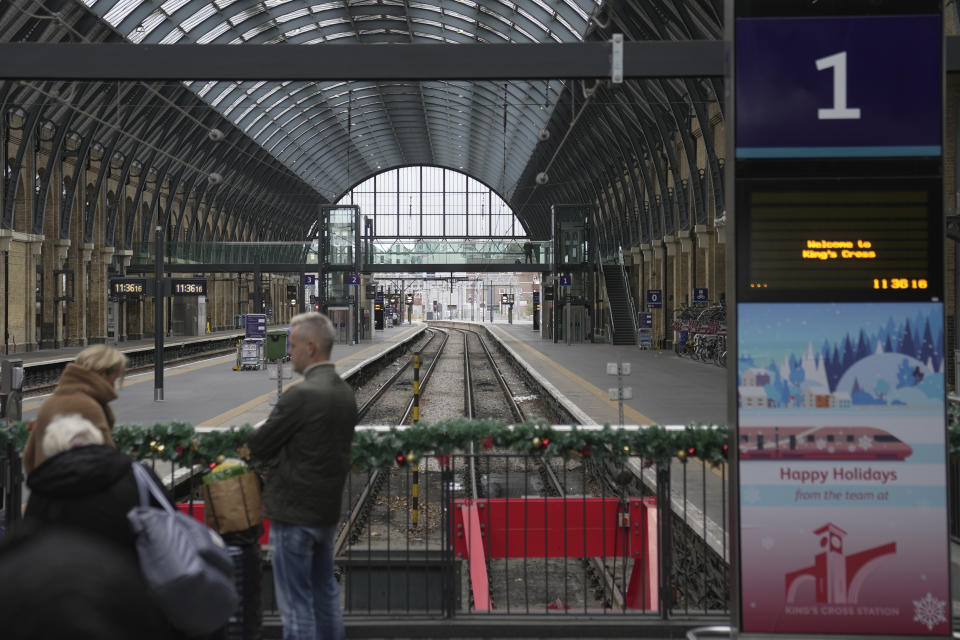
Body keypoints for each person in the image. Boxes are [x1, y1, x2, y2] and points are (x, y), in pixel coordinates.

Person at [248, 312, 357, 640]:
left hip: (294, 513)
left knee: (296, 606)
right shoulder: (343, 392)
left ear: (311, 347)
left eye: (293, 345)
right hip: (326, 512)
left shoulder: (300, 395)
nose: (289, 352)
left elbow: (260, 444)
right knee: (325, 596)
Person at [23, 344, 128, 474]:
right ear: (102, 373)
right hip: (79, 491)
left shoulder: (51, 401)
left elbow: (29, 458)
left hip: (46, 489)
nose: (114, 386)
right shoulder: (87, 407)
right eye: (115, 378)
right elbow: (108, 464)